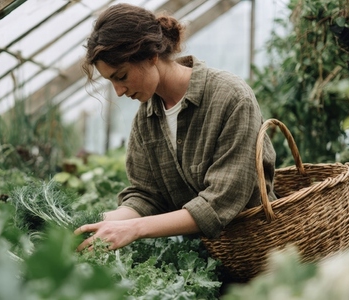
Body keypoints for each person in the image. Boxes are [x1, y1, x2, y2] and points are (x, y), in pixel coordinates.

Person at [75, 3, 276, 251]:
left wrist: (134, 229)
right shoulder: (146, 119)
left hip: (257, 252)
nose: (119, 91)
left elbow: (220, 201)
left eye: (122, 76)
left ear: (151, 56)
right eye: (111, 81)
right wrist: (86, 225)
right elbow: (146, 196)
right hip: (203, 260)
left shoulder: (231, 97)